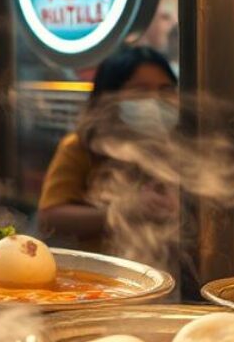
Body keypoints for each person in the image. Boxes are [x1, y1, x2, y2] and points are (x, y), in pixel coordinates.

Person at [38, 46, 180, 248]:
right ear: (109, 96)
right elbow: (49, 217)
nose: (155, 100)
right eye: (140, 91)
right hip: (101, 272)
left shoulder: (181, 148)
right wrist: (125, 210)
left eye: (165, 90)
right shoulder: (80, 145)